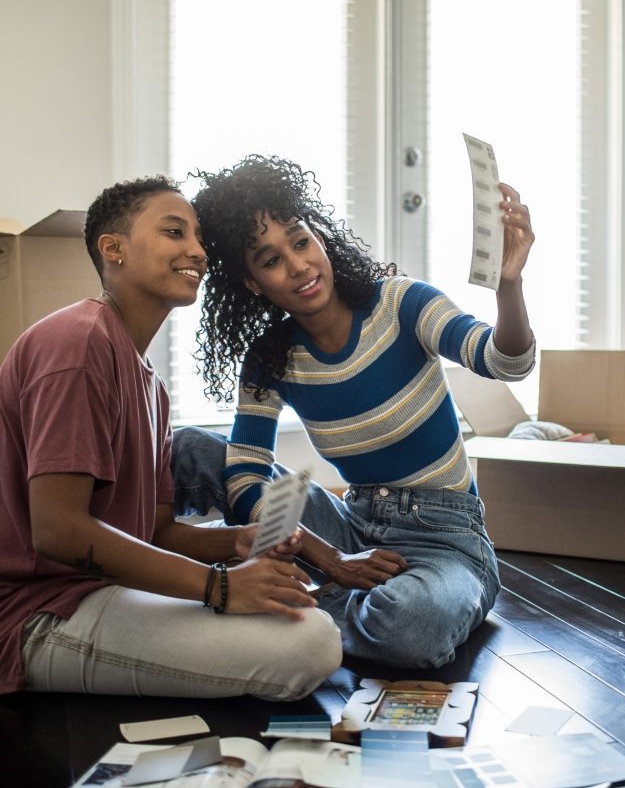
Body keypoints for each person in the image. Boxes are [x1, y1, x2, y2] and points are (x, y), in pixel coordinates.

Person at [0, 176, 341, 698]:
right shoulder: (77, 343)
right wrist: (220, 586)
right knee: (311, 644)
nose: (198, 251)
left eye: (199, 238)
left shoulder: (150, 384)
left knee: (298, 616)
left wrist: (234, 542)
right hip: (28, 617)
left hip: (96, 592)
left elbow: (154, 531)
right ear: (114, 249)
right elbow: (57, 531)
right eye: (175, 232)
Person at [176, 154, 536, 669]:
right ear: (252, 283)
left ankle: (274, 596)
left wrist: (509, 285)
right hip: (349, 527)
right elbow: (245, 477)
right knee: (191, 449)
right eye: (271, 260)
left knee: (409, 626)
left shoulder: (402, 304)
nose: (299, 266)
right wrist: (333, 559)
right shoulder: (270, 358)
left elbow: (505, 361)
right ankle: (279, 585)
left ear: (318, 238)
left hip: (446, 542)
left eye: (300, 242)